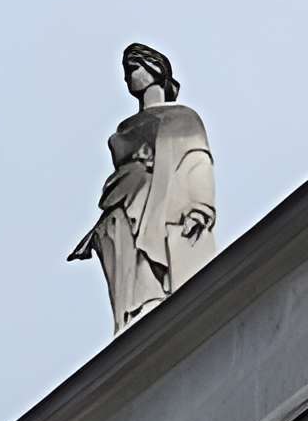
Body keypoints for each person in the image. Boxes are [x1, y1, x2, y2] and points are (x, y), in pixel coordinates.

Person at [67, 43, 219, 330]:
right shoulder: (123, 130)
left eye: (133, 68)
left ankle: (156, 301)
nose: (128, 77)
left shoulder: (182, 118)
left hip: (163, 199)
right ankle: (137, 313)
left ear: (155, 70)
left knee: (159, 256)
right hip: (126, 204)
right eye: (126, 71)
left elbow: (196, 156)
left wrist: (200, 206)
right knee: (132, 265)